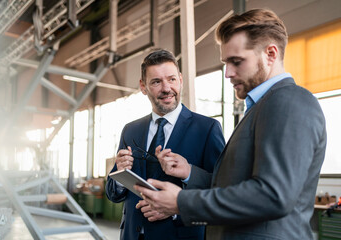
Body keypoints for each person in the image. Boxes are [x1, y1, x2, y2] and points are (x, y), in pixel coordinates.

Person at [135, 9, 327, 239]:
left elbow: (273, 195)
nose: (228, 73)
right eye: (226, 62)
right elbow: (237, 185)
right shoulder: (259, 108)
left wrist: (181, 201)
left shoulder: (289, 101)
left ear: (271, 54)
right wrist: (190, 173)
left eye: (237, 62)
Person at [105, 49, 225, 240]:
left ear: (181, 80)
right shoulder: (130, 130)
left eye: (171, 79)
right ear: (143, 87)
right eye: (156, 82)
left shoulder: (207, 128)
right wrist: (118, 174)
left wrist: (177, 208)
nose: (166, 88)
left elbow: (221, 190)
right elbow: (113, 194)